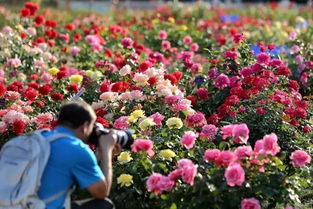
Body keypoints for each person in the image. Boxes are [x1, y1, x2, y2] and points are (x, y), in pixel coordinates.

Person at [38, 100, 119, 209]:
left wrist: (97, 155)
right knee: (104, 205)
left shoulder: (38, 137)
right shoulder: (78, 148)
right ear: (85, 126)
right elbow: (101, 192)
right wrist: (106, 150)